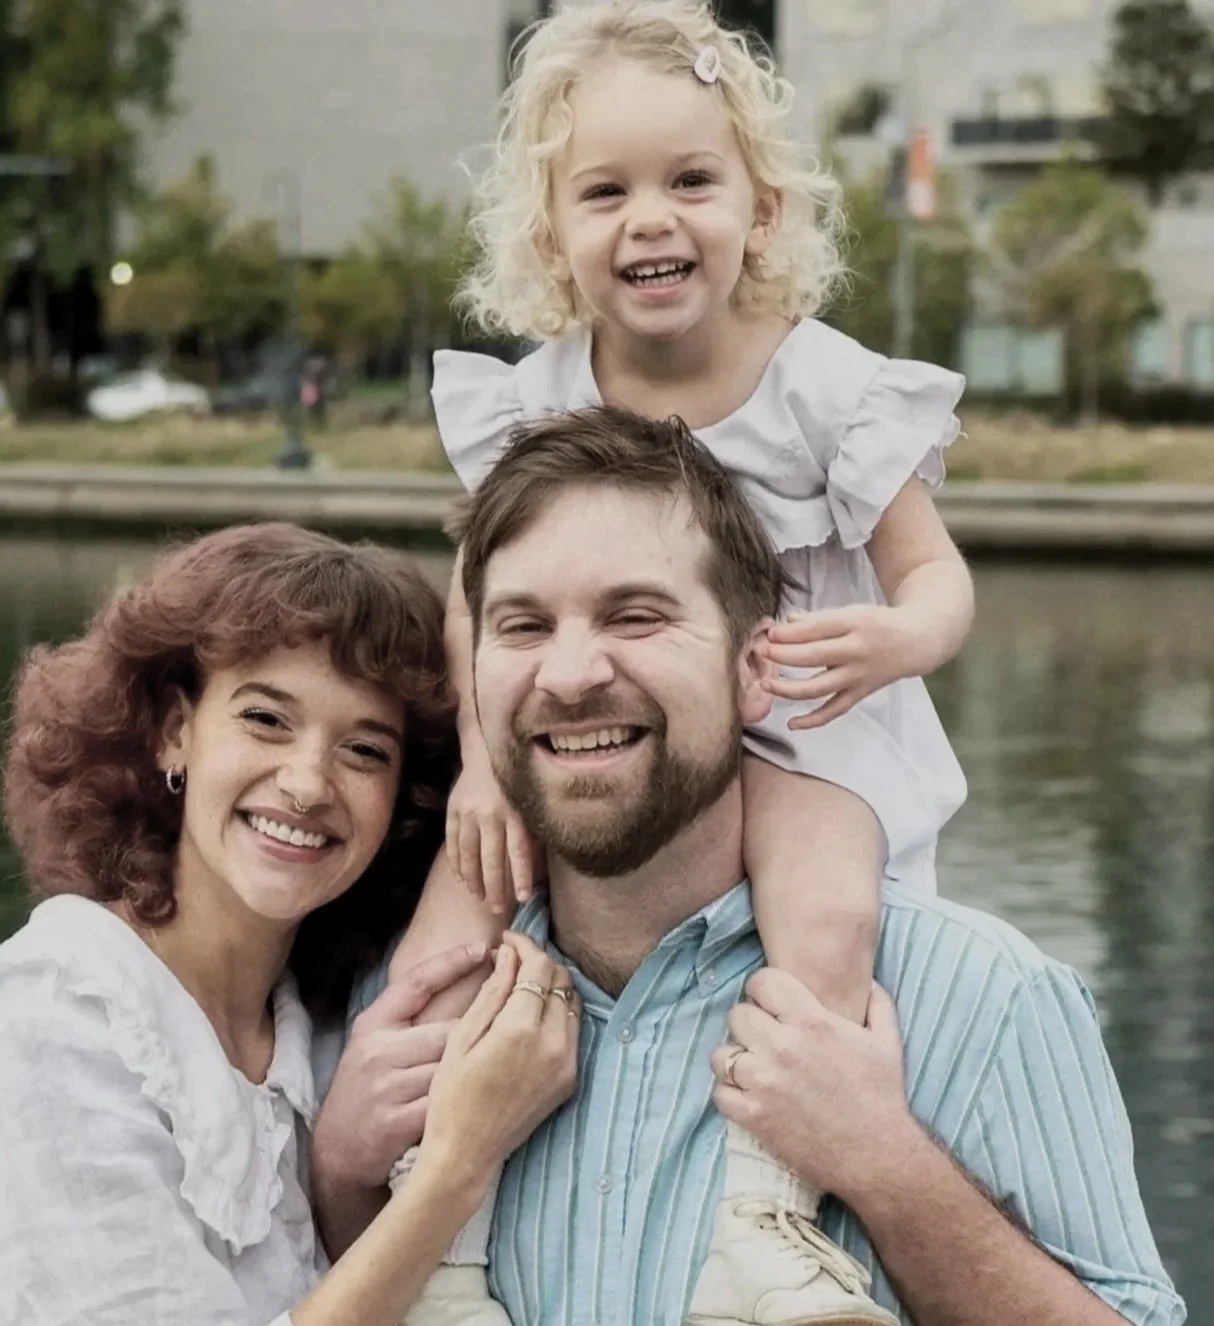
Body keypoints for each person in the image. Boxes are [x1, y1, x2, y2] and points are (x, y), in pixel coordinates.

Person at [326, 407, 1185, 1326]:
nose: (570, 674)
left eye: (637, 615)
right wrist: (341, 1171)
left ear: (752, 668)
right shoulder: (395, 1026)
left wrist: (890, 1171)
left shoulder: (980, 998)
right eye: (524, 626)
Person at [389, 2, 972, 1321]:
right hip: (610, 730)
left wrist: (893, 637)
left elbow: (935, 576)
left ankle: (763, 1210)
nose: (649, 218)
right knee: (453, 907)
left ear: (759, 211)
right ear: (553, 237)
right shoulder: (537, 400)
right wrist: (480, 766)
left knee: (823, 906)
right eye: (606, 192)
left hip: (808, 725)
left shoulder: (823, 386)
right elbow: (471, 601)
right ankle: (446, 1230)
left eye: (689, 181)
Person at [0, 523, 579, 1326]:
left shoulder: (305, 1026)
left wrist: (341, 1174)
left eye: (364, 750)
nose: (307, 784)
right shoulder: (59, 1020)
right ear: (174, 732)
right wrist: (456, 1165)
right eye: (266, 720)